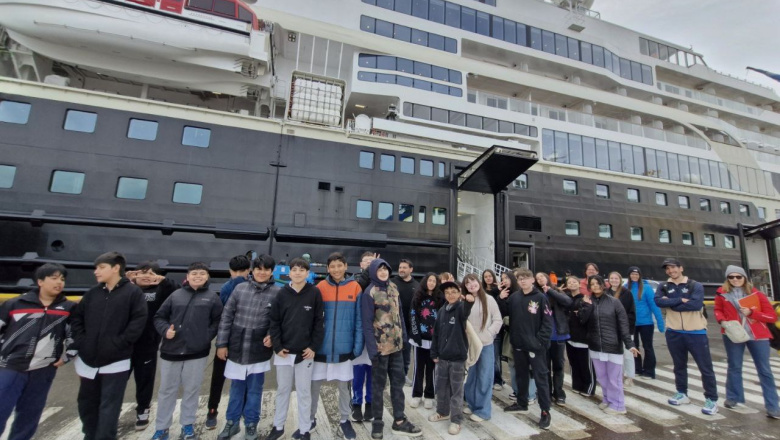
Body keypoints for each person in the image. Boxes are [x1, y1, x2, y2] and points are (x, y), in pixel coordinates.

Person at [71, 251, 147, 440]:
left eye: (101, 267)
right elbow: (77, 319)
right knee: (86, 404)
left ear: (116, 268)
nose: (96, 272)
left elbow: (138, 322)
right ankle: (89, 435)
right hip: (88, 360)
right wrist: (83, 343)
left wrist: (118, 344)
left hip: (116, 361)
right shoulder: (92, 293)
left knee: (109, 407)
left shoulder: (133, 293)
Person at [0, 263, 75, 440]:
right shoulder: (15, 304)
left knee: (30, 415)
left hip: (44, 369)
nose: (59, 282)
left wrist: (68, 355)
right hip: (10, 366)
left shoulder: (68, 308)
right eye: (54, 278)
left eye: (62, 279)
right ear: (40, 281)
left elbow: (75, 334)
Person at [152, 262, 223, 440]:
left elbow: (217, 320)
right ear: (188, 276)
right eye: (194, 273)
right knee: (167, 391)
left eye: (202, 274)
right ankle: (162, 428)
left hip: (197, 352)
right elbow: (159, 317)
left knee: (192, 390)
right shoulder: (175, 295)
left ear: (207, 277)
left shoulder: (212, 298)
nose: (198, 276)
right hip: (171, 351)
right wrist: (165, 330)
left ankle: (188, 426)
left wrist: (206, 337)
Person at [215, 255, 280, 440]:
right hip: (237, 346)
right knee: (236, 388)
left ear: (272, 272)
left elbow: (277, 321)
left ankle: (251, 424)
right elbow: (226, 317)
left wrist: (271, 335)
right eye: (259, 269)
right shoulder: (240, 289)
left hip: (258, 349)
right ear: (253, 270)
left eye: (266, 269)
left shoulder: (277, 293)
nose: (262, 273)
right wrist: (221, 344)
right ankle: (232, 423)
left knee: (255, 390)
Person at [360, 258, 422, 439]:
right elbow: (366, 323)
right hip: (380, 349)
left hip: (397, 349)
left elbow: (400, 314)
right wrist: (372, 350)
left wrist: (404, 339)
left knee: (398, 385)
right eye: (379, 269)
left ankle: (399, 421)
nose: (383, 272)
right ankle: (377, 423)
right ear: (374, 272)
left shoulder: (393, 288)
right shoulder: (369, 292)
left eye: (385, 269)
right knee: (378, 387)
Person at [267, 258, 325, 440]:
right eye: (294, 269)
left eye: (302, 270)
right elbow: (274, 322)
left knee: (304, 391)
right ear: (289, 272)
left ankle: (304, 429)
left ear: (307, 273)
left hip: (305, 353)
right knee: (282, 390)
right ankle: (278, 426)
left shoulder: (314, 293)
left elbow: (319, 322)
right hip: (283, 352)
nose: (298, 273)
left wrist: (313, 346)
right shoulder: (281, 293)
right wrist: (277, 346)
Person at [309, 252, 363, 440]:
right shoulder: (320, 288)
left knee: (344, 388)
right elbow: (312, 319)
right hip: (320, 348)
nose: (336, 269)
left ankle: (345, 420)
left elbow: (359, 320)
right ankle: (309, 419)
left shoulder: (355, 287)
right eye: (332, 266)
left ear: (346, 266)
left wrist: (357, 347)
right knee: (313, 387)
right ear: (327, 268)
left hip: (344, 348)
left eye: (339, 265)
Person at [714, 265, 779, 419]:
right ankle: (733, 397)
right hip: (733, 333)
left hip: (758, 336)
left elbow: (771, 316)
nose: (735, 279)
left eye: (738, 276)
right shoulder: (721, 293)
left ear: (744, 278)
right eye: (731, 277)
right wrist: (722, 320)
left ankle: (773, 406)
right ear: (727, 279)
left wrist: (752, 313)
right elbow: (718, 310)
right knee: (734, 366)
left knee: (764, 370)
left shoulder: (757, 294)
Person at [655, 258, 719, 415]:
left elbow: (695, 304)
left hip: (696, 332)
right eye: (668, 268)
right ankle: (682, 393)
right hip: (674, 331)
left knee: (705, 367)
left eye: (673, 267)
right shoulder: (664, 286)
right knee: (679, 365)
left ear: (681, 268)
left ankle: (711, 399)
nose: (671, 271)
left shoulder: (695, 285)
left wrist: (671, 303)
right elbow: (658, 302)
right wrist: (680, 300)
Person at [126, 261, 180, 430]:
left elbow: (179, 291)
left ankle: (143, 409)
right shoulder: (126, 289)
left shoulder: (160, 290)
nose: (147, 276)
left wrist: (163, 280)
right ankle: (110, 410)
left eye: (151, 273)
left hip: (147, 344)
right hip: (123, 345)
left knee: (145, 379)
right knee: (117, 380)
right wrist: (124, 279)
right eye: (143, 273)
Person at [499, 268, 552, 430]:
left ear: (532, 280)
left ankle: (545, 411)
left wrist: (539, 342)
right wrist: (500, 299)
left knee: (540, 378)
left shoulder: (540, 298)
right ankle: (522, 403)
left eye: (525, 278)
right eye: (520, 278)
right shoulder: (514, 297)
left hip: (535, 347)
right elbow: (504, 313)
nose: (522, 281)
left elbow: (547, 322)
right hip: (518, 345)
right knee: (521, 376)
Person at [579, 275, 639, 415]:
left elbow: (623, 324)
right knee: (601, 377)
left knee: (614, 378)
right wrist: (586, 306)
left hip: (613, 345)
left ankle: (618, 405)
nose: (595, 286)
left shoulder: (614, 302)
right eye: (592, 284)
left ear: (603, 285)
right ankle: (607, 399)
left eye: (597, 283)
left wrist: (629, 344)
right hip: (595, 345)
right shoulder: (587, 301)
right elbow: (582, 321)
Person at [206, 255, 251, 429]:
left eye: (241, 272)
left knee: (231, 377)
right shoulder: (233, 287)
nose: (239, 275)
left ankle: (221, 410)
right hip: (234, 339)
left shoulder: (233, 286)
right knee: (229, 377)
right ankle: (217, 409)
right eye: (236, 272)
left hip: (235, 339)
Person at [427, 281, 475, 435]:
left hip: (457, 359)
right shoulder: (442, 310)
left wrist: (469, 301)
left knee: (456, 391)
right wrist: (434, 353)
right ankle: (442, 412)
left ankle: (456, 420)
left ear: (459, 293)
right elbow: (436, 334)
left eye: (454, 292)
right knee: (441, 387)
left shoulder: (461, 308)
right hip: (442, 358)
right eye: (447, 293)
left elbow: (466, 311)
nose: (450, 295)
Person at [463, 273, 503, 422]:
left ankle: (483, 410)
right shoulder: (465, 300)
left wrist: (489, 333)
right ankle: (472, 404)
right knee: (470, 376)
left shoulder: (489, 299)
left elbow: (497, 320)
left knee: (485, 377)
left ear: (478, 282)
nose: (471, 285)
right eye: (467, 283)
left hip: (485, 344)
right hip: (470, 345)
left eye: (473, 281)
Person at [536, 272, 573, 405]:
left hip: (558, 335)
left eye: (542, 276)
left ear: (547, 278)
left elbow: (568, 302)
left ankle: (559, 393)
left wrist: (550, 291)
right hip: (543, 337)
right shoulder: (536, 294)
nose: (540, 279)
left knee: (558, 366)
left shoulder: (556, 291)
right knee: (545, 367)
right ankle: (547, 392)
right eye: (537, 278)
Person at [408, 273, 442, 409]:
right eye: (429, 280)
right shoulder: (418, 297)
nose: (431, 283)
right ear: (425, 282)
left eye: (434, 281)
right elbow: (412, 315)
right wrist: (416, 334)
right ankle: (416, 395)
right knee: (418, 368)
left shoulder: (440, 298)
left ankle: (429, 395)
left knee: (431, 369)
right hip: (420, 339)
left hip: (434, 340)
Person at [352, 251, 378, 423]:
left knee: (372, 372)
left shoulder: (381, 283)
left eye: (372, 261)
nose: (369, 263)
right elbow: (361, 284)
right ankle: (356, 404)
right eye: (366, 261)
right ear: (360, 264)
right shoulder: (354, 282)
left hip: (375, 334)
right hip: (359, 333)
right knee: (358, 372)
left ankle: (370, 404)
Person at [625, 267, 664, 379]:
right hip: (632, 323)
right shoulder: (625, 288)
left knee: (648, 347)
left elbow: (654, 305)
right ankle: (637, 369)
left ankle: (649, 371)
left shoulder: (646, 288)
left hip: (646, 323)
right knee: (634, 346)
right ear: (629, 275)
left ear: (640, 275)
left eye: (636, 274)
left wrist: (660, 323)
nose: (634, 276)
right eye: (632, 274)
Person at [564, 276, 596, 396]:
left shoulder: (584, 298)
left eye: (574, 282)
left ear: (579, 284)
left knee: (585, 364)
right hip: (569, 337)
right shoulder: (565, 298)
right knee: (574, 363)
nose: (572, 284)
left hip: (583, 338)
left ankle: (589, 387)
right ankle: (577, 385)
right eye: (569, 282)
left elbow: (587, 317)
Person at [391, 259, 419, 385]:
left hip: (409, 326)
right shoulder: (392, 283)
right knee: (394, 353)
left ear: (411, 269)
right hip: (394, 325)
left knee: (406, 353)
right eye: (400, 267)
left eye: (404, 267)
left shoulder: (417, 285)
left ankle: (404, 375)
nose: (401, 270)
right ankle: (394, 376)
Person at [607, 272, 637, 388]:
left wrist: (624, 324)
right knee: (615, 354)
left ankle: (630, 377)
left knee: (628, 353)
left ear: (620, 280)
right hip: (611, 329)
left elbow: (631, 312)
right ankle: (618, 375)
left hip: (625, 328)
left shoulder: (626, 293)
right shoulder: (606, 293)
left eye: (616, 278)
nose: (614, 280)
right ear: (609, 280)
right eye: (612, 278)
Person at [481, 270, 504, 391]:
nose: (488, 278)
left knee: (495, 356)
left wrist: (498, 291)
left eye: (490, 276)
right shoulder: (482, 291)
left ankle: (498, 379)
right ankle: (488, 379)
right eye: (485, 276)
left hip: (495, 328)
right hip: (483, 327)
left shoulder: (499, 290)